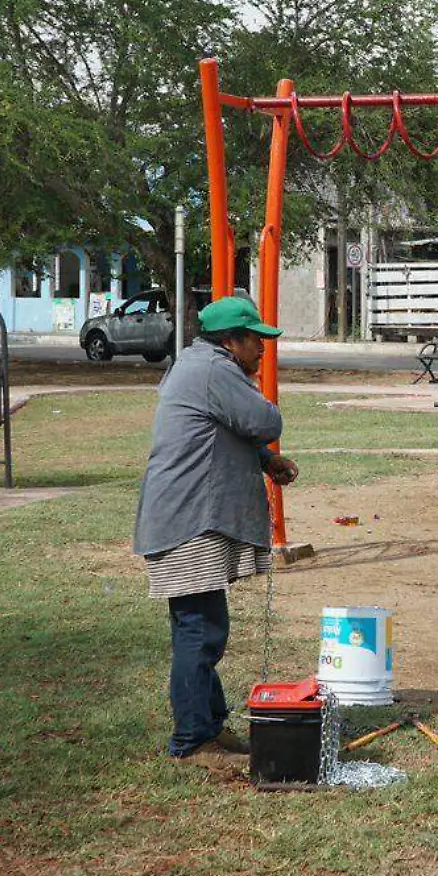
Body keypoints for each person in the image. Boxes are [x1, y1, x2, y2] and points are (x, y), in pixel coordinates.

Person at [133, 295, 298, 767]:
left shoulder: (198, 364)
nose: (263, 350)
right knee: (198, 630)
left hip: (182, 517)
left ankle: (208, 725)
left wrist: (266, 461)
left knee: (204, 626)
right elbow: (265, 419)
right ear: (232, 340)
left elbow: (219, 430)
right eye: (257, 341)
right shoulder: (214, 369)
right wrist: (265, 433)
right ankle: (191, 742)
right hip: (189, 519)